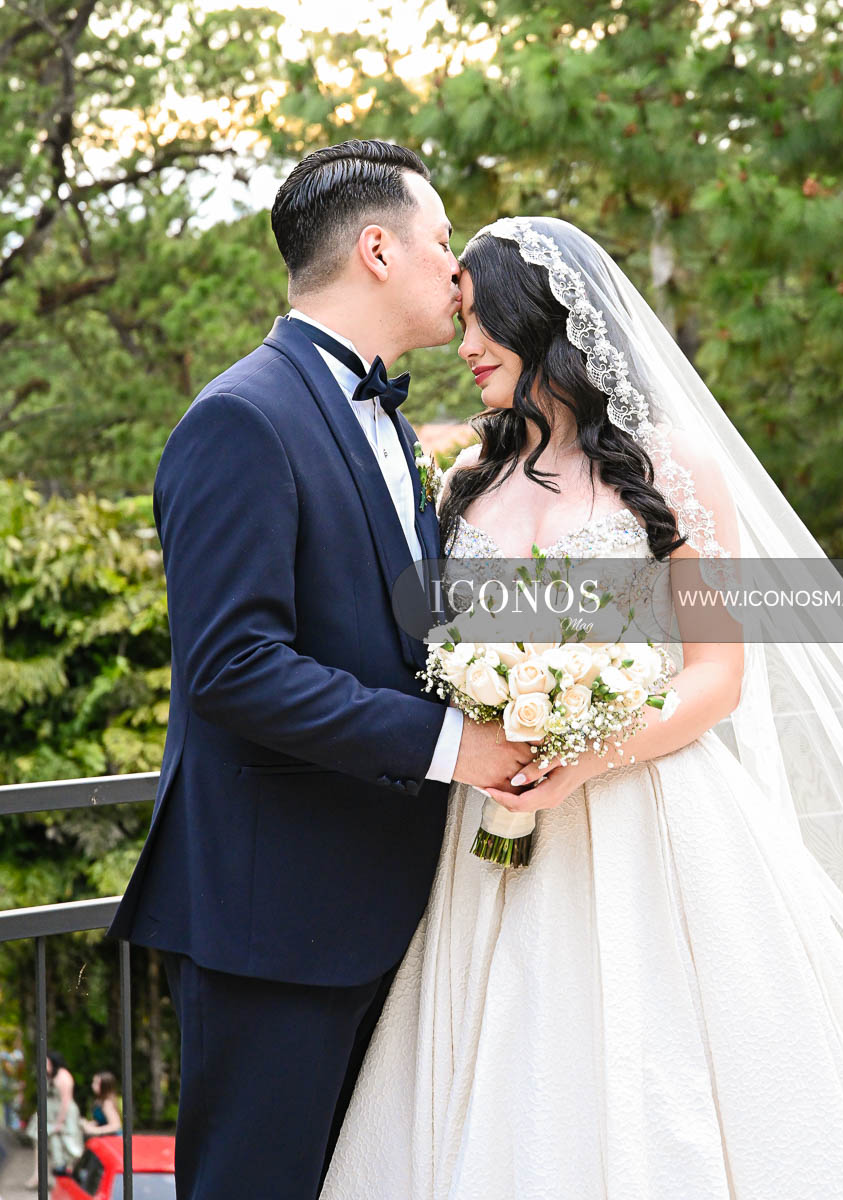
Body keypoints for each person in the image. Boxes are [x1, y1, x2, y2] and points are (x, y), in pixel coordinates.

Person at [319, 216, 843, 1198]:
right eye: (462, 321)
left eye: (484, 322)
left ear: (546, 326)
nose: (466, 343)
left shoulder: (673, 468)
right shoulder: (465, 479)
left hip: (650, 822)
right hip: (495, 837)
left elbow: (718, 675)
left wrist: (586, 750)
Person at [106, 140, 533, 1200]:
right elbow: (235, 667)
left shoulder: (392, 425)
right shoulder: (242, 417)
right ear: (377, 250)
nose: (456, 268)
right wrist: (455, 745)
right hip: (275, 924)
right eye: (441, 240)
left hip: (393, 909)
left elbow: (407, 629)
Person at [24, 1052, 83, 1188]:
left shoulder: (63, 1076)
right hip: (49, 1114)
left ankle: (66, 1178)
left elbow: (66, 1101)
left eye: (47, 1062)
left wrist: (59, 1122)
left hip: (63, 1115)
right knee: (39, 1141)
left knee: (66, 1145)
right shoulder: (48, 1075)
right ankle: (38, 1176)